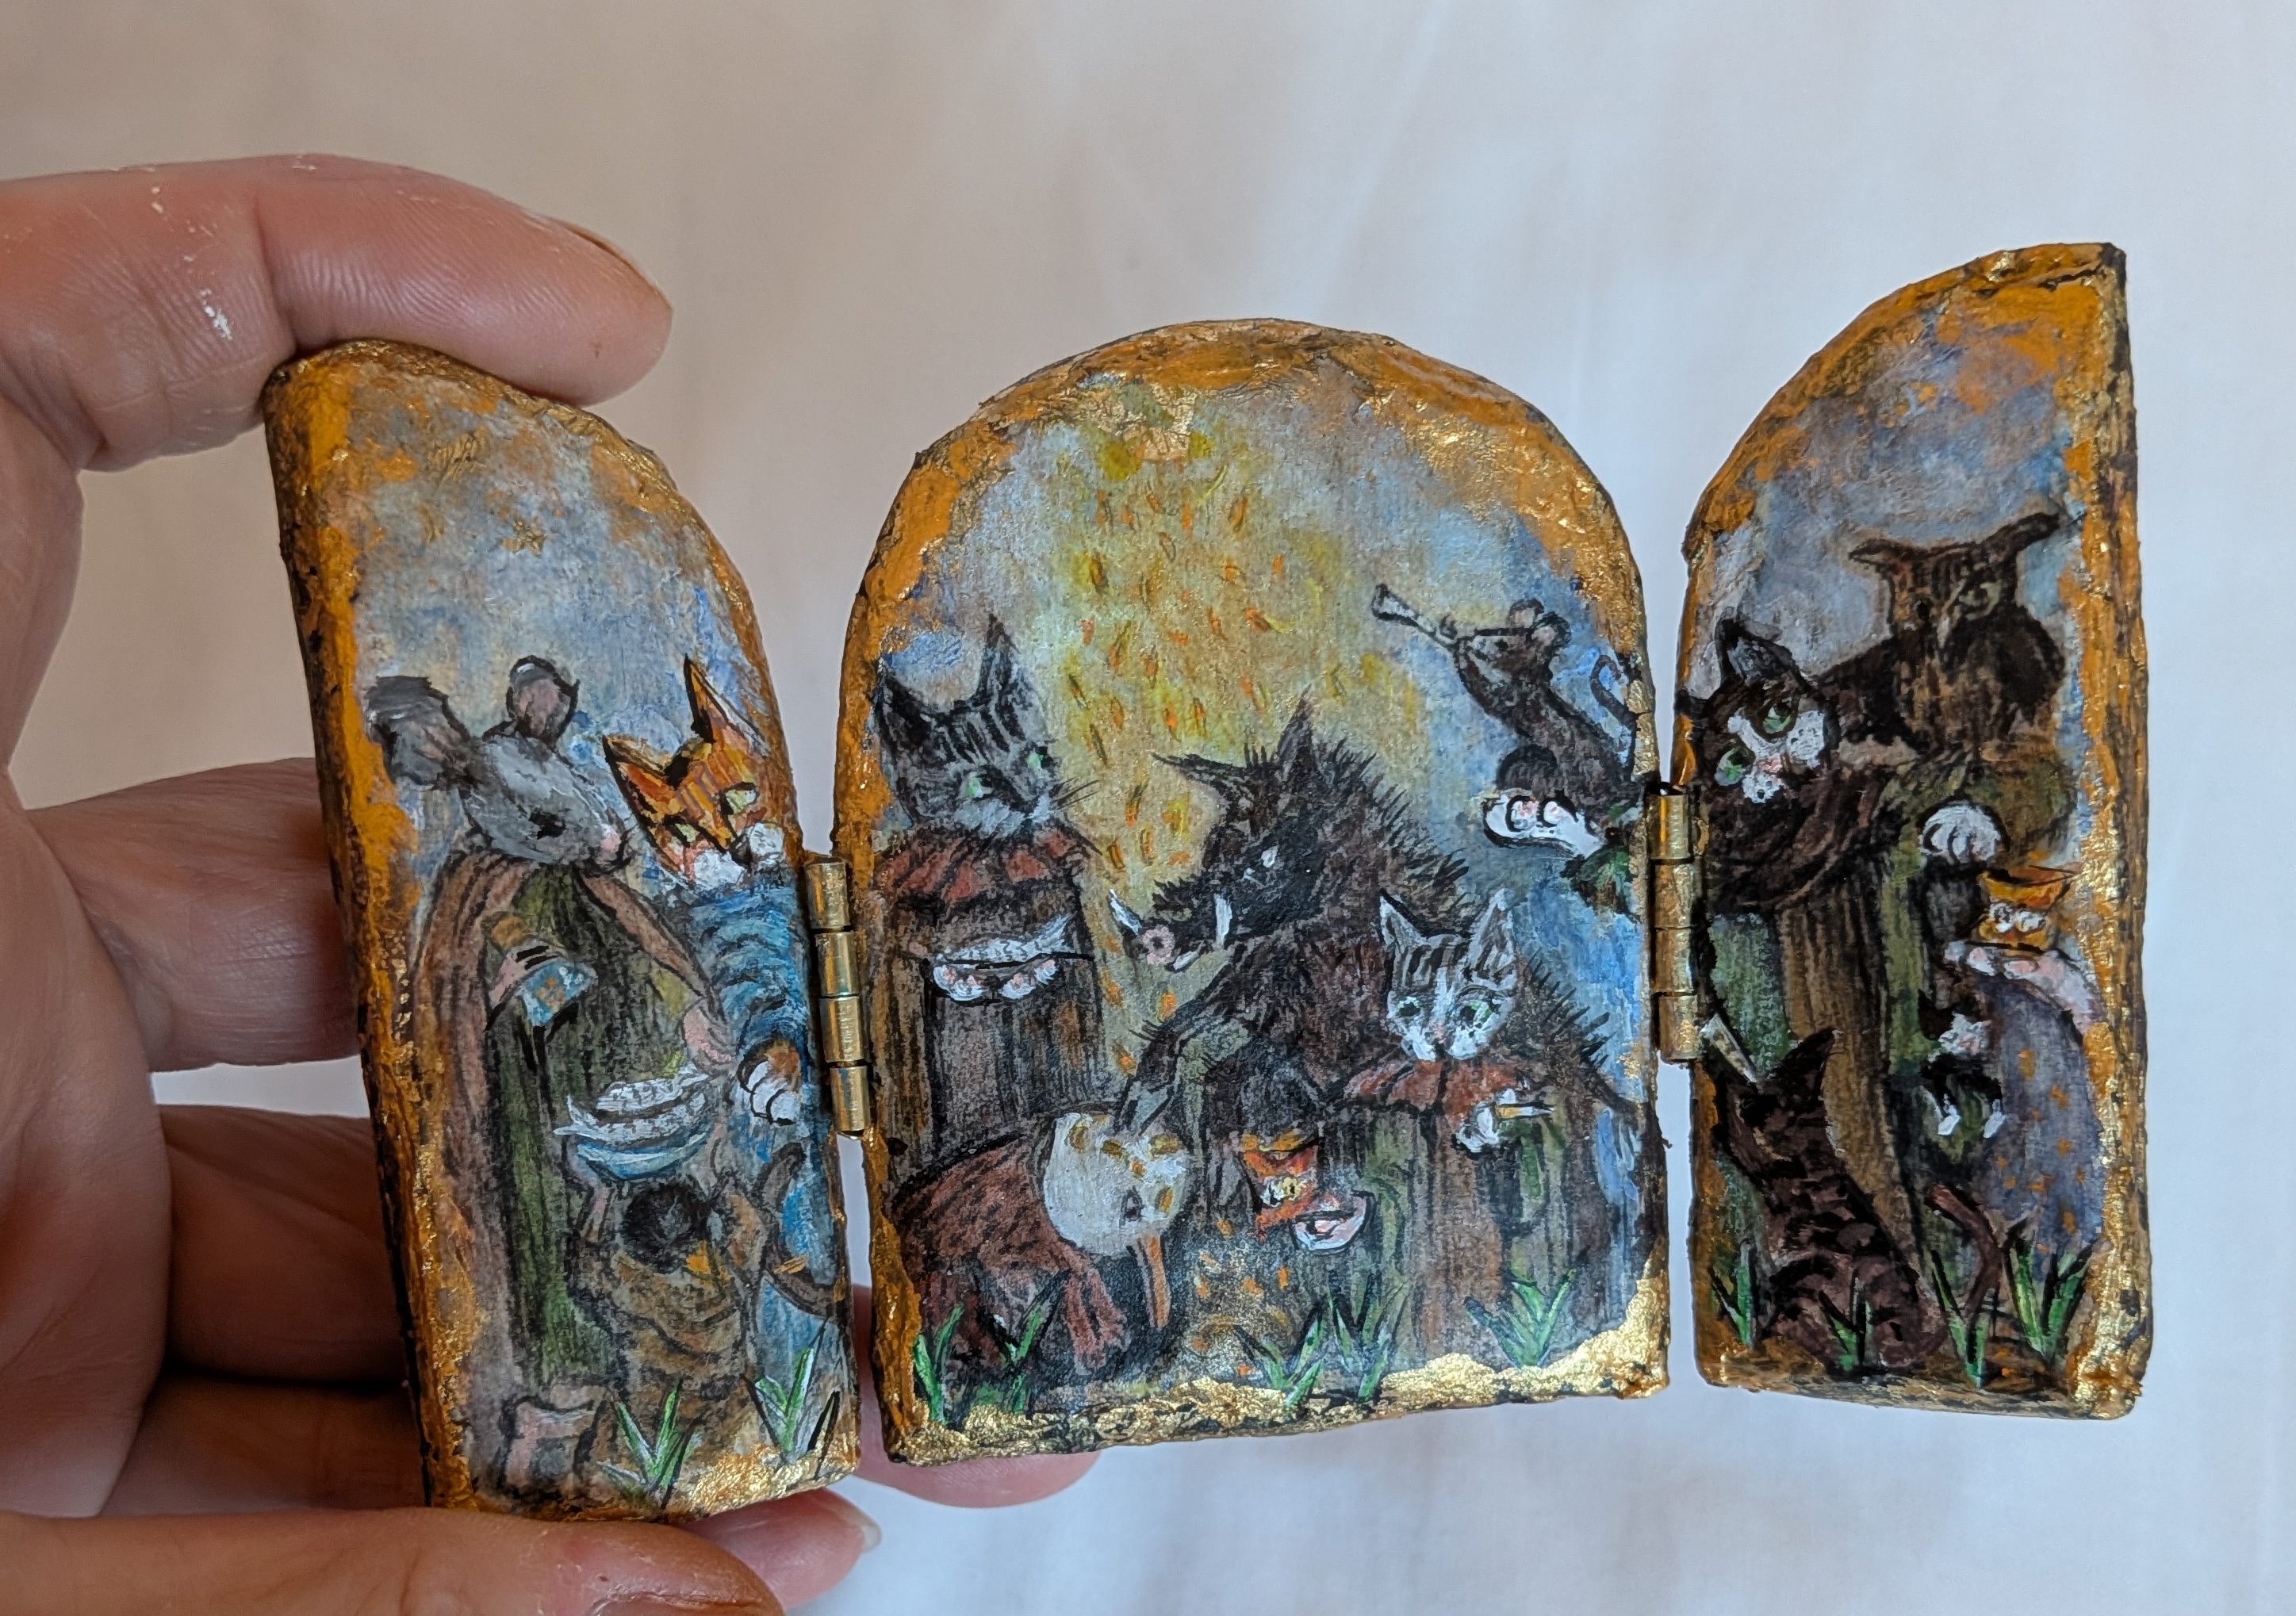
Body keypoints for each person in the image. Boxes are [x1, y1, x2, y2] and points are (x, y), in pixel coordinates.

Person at [0, 155, 1093, 1614]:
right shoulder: (481, 904)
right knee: (581, 1252)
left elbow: (677, 964)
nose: (595, 829)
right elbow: (494, 1039)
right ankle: (588, 1371)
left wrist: (699, 1020)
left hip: (688, 1112)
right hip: (578, 1148)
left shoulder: (621, 889)